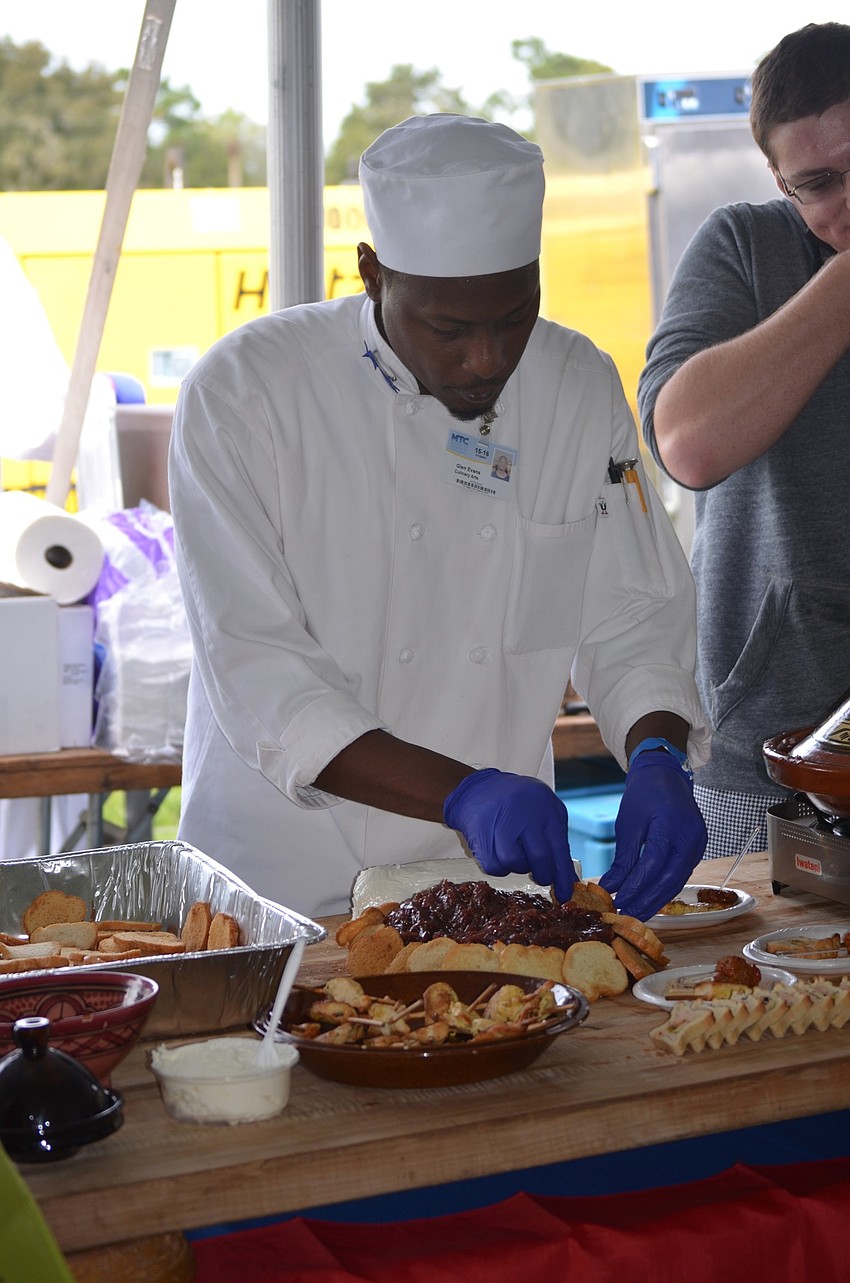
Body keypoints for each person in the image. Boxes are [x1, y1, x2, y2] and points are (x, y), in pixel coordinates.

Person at [169, 114, 709, 921]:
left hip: (481, 893)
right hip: (276, 889)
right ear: (373, 274)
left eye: (514, 317)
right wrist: (461, 793)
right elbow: (260, 671)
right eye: (450, 329)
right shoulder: (246, 393)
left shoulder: (573, 384)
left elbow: (633, 614)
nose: (487, 358)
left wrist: (659, 751)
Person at [637, 22, 850, 861]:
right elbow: (686, 443)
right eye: (822, 183)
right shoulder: (746, 245)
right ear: (778, 180)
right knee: (750, 990)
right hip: (763, 757)